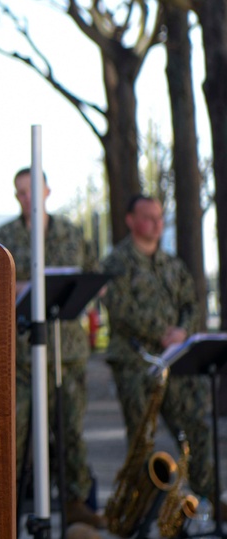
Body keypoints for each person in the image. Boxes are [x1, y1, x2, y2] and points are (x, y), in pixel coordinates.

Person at [0, 168, 103, 529]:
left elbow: (94, 280)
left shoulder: (71, 233)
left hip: (66, 353)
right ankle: (3, 507)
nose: (27, 198)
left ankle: (75, 503)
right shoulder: (2, 237)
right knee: (14, 433)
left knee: (70, 430)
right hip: (19, 357)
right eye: (20, 192)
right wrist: (22, 286)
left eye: (33, 191)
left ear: (47, 191)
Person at [102, 195, 220, 512]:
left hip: (176, 361)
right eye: (148, 217)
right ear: (130, 220)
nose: (156, 223)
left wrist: (182, 331)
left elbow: (191, 303)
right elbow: (120, 308)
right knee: (143, 439)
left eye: (159, 217)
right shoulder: (116, 263)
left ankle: (205, 496)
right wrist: (161, 334)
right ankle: (144, 509)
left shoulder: (172, 265)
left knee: (195, 425)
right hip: (135, 362)